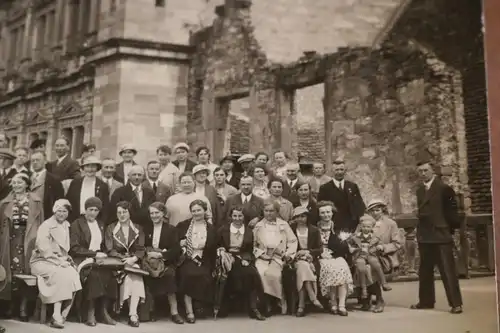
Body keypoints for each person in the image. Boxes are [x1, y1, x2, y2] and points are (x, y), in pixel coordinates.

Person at [410, 161, 463, 314]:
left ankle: (456, 304)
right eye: (420, 171)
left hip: (440, 235)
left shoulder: (444, 189)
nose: (423, 173)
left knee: (447, 270)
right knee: (425, 270)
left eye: (426, 170)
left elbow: (452, 213)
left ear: (432, 170)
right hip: (425, 236)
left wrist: (449, 230)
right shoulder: (420, 190)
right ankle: (426, 301)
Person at [30, 199, 82, 329]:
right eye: (59, 211)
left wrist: (66, 259)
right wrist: (59, 261)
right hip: (41, 261)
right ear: (54, 210)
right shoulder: (46, 226)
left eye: (64, 211)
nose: (61, 214)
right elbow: (44, 249)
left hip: (59, 261)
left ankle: (64, 313)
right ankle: (56, 314)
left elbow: (63, 250)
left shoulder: (66, 225)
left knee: (73, 274)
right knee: (61, 274)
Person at [0, 173, 44, 321]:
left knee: (26, 274)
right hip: (10, 242)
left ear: (26, 184)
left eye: (19, 183)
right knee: (10, 274)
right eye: (13, 183)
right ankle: (11, 306)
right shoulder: (5, 203)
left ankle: (23, 308)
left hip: (28, 241)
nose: (16, 185)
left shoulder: (36, 202)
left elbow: (41, 224)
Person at [69, 197, 117, 326]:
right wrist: (94, 254)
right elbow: (74, 248)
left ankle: (104, 311)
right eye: (90, 209)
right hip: (81, 258)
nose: (93, 213)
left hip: (98, 259)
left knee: (110, 275)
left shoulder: (100, 224)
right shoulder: (77, 224)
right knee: (94, 275)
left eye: (96, 210)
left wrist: (103, 255)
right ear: (85, 210)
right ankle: (90, 312)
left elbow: (103, 246)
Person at [216, 206, 265, 321]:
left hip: (242, 257)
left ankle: (254, 308)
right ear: (231, 216)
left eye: (240, 216)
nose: (237, 218)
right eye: (235, 216)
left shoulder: (248, 231)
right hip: (227, 258)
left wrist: (246, 259)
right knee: (226, 274)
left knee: (252, 274)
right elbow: (218, 245)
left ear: (244, 217)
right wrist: (222, 250)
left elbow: (250, 250)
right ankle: (223, 306)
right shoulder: (223, 230)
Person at [104, 201, 146, 327]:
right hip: (117, 262)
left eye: (124, 212)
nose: (122, 215)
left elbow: (141, 248)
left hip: (133, 261)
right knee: (131, 274)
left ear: (130, 212)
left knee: (135, 273)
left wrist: (134, 258)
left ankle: (132, 313)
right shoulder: (111, 228)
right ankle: (132, 314)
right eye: (119, 212)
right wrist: (124, 258)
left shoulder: (138, 228)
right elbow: (109, 249)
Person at [357, 199, 403, 313]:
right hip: (365, 253)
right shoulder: (363, 222)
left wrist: (383, 247)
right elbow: (356, 237)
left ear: (382, 209)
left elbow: (397, 243)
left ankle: (379, 299)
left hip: (383, 256)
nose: (375, 213)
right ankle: (366, 297)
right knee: (361, 265)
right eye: (372, 211)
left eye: (377, 210)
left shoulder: (390, 224)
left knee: (372, 266)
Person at [176, 200, 217, 324]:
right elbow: (174, 242)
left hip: (204, 258)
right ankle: (189, 311)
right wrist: (180, 244)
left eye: (199, 210)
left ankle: (199, 305)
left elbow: (213, 248)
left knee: (203, 275)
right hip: (186, 257)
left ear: (205, 211)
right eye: (193, 211)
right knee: (188, 275)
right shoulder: (183, 225)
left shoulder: (211, 228)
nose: (196, 213)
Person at [253, 201, 297, 316]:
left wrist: (288, 254)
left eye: (271, 211)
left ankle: (278, 300)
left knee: (274, 275)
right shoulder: (258, 226)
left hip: (278, 256)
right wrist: (260, 254)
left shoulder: (284, 225)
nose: (269, 213)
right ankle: (266, 302)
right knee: (261, 273)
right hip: (263, 256)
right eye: (266, 211)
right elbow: (253, 244)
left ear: (277, 212)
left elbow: (292, 241)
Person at [143, 202, 183, 324]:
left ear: (163, 214)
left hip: (166, 261)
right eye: (152, 213)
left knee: (169, 275)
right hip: (148, 262)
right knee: (147, 276)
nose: (154, 216)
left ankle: (174, 312)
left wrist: (161, 255)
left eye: (157, 213)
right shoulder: (146, 228)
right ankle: (152, 309)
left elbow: (176, 249)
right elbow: (142, 246)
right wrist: (149, 253)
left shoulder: (171, 229)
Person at [316, 201, 353, 317]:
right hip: (321, 256)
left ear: (332, 213)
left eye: (328, 212)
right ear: (319, 214)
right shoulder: (315, 228)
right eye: (322, 213)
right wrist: (321, 253)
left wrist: (334, 252)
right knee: (330, 269)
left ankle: (341, 305)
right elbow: (313, 244)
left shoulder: (338, 227)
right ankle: (333, 303)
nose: (326, 215)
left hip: (336, 255)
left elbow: (344, 245)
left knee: (341, 267)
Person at [290, 207, 324, 317]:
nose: (301, 219)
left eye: (303, 216)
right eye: (298, 216)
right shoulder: (291, 229)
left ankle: (301, 306)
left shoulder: (314, 230)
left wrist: (308, 251)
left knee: (303, 269)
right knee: (302, 266)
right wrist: (297, 253)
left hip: (310, 259)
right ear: (295, 218)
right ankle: (312, 296)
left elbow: (320, 249)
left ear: (307, 217)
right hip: (295, 258)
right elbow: (287, 245)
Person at [348, 215, 391, 299]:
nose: (366, 228)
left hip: (371, 254)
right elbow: (349, 244)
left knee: (376, 264)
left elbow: (380, 244)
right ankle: (364, 289)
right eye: (364, 226)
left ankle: (384, 283)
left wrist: (379, 247)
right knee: (361, 268)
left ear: (372, 227)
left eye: (368, 227)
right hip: (360, 255)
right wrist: (352, 248)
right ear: (360, 226)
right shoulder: (355, 237)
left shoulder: (375, 237)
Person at [317, 160, 366, 232]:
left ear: (345, 171)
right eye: (337, 170)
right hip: (334, 224)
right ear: (332, 171)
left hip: (352, 224)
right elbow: (320, 207)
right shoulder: (325, 188)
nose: (339, 172)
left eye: (341, 169)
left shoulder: (352, 186)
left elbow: (359, 204)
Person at [66, 156, 110, 223]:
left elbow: (105, 208)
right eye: (87, 166)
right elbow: (68, 202)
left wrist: (101, 223)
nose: (90, 169)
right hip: (76, 219)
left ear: (97, 168)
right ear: (83, 168)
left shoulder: (102, 186)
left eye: (93, 167)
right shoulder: (75, 183)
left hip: (95, 220)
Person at [30, 151, 65, 221]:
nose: (35, 162)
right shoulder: (27, 178)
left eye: (38, 160)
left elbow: (59, 202)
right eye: (33, 160)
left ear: (45, 161)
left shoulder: (54, 180)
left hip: (45, 217)